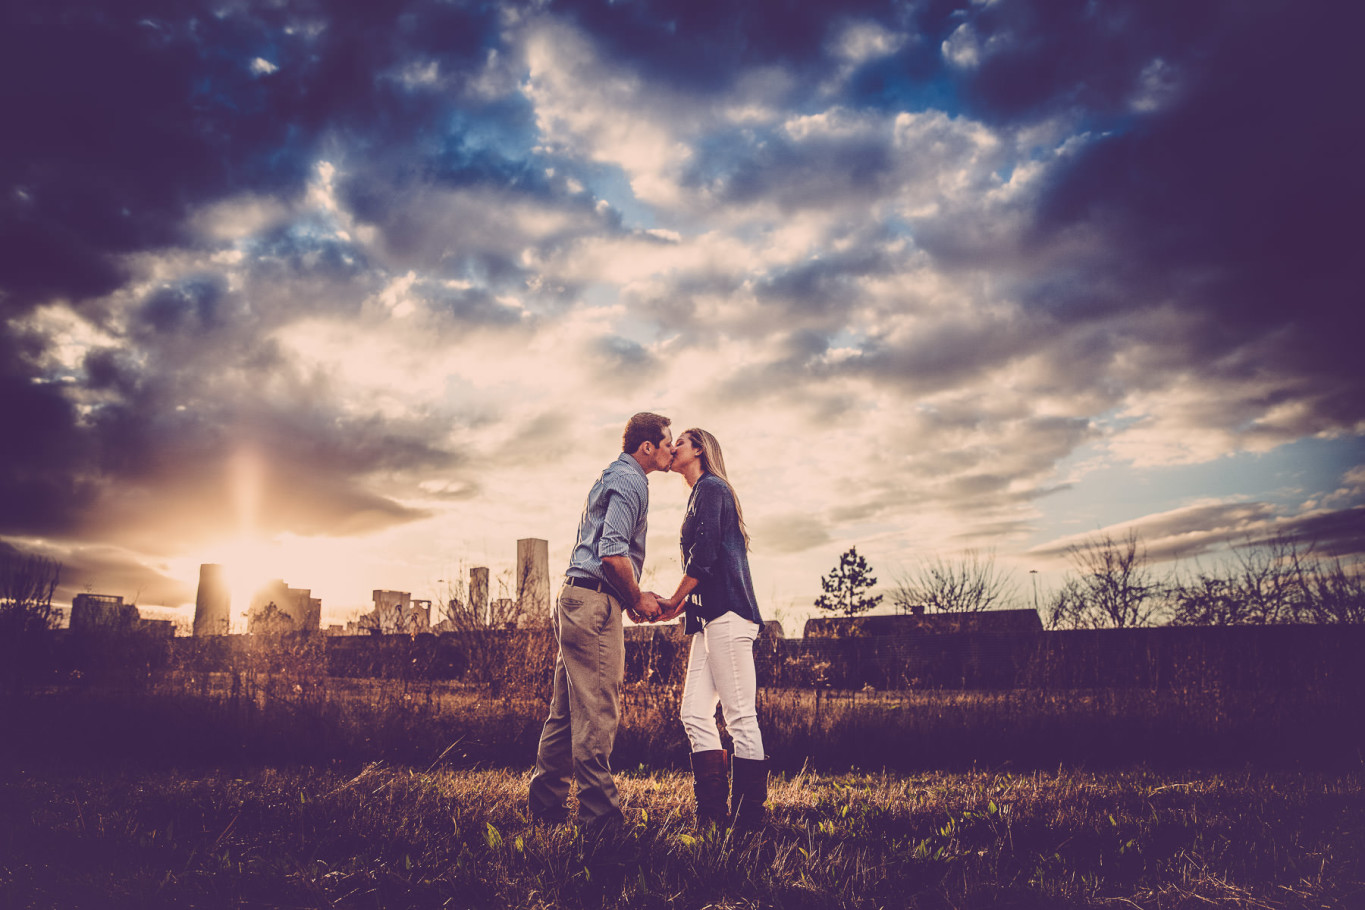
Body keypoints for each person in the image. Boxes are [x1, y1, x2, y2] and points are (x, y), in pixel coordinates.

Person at [527, 412, 672, 834]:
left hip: (576, 599)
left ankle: (546, 808)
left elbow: (601, 552)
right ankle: (602, 823)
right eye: (666, 442)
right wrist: (636, 597)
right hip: (593, 605)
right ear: (647, 447)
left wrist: (627, 598)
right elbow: (611, 552)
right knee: (597, 714)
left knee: (566, 711)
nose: (669, 450)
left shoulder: (609, 475)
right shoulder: (631, 481)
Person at [654, 428, 768, 830]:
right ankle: (713, 818)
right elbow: (708, 567)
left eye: (679, 443)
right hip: (708, 622)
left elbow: (703, 557)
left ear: (699, 449)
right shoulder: (698, 494)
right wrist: (679, 606)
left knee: (740, 717)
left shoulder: (713, 488)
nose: (672, 448)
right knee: (694, 713)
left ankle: (749, 823)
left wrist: (671, 599)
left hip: (730, 616)